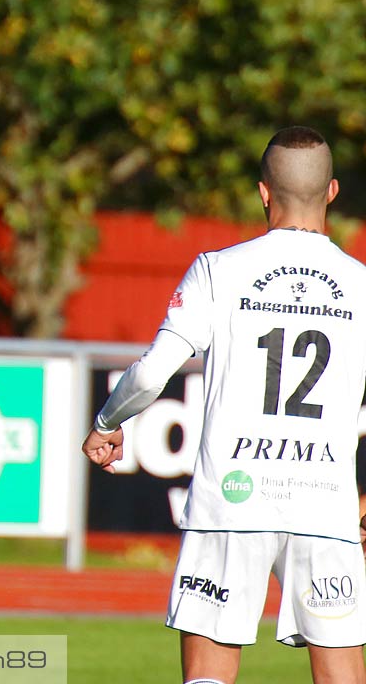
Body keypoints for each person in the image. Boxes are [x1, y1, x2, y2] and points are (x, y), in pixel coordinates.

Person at [83, 126, 366, 684]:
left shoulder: (218, 270)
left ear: (263, 192)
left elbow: (149, 374)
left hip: (232, 500)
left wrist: (106, 422)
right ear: (332, 191)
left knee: (209, 675)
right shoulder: (360, 285)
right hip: (323, 507)